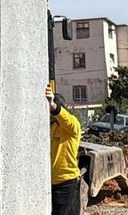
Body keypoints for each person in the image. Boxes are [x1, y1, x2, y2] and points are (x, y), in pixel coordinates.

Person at [46, 83, 81, 215]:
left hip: (66, 181)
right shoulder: (51, 127)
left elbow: (65, 119)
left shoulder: (72, 125)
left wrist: (53, 106)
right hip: (50, 181)